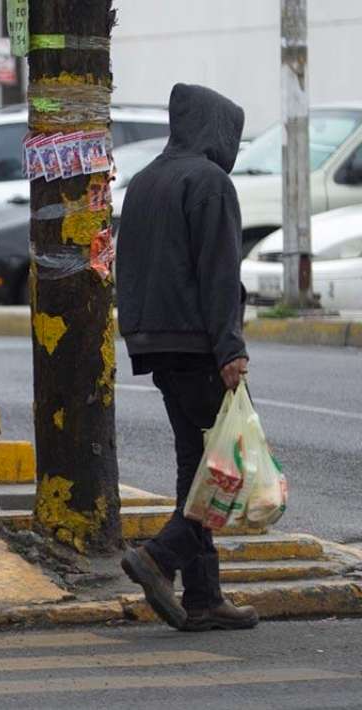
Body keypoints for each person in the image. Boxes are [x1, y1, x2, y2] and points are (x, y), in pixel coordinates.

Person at [117, 83, 259, 632]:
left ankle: (204, 598)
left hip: (157, 342)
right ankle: (159, 556)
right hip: (199, 344)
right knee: (224, 469)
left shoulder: (146, 180)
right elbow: (220, 273)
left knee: (195, 469)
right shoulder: (210, 182)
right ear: (219, 130)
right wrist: (231, 348)